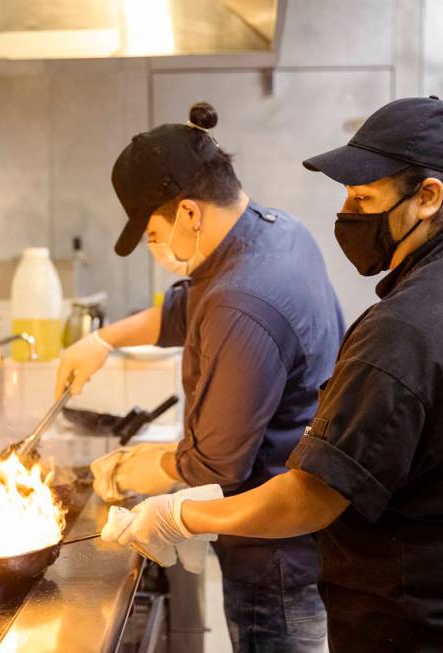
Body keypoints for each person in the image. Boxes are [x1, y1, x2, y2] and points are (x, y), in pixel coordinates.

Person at [104, 96, 443, 652]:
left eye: (364, 196)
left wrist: (179, 514)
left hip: (432, 632)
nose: (349, 212)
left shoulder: (406, 328)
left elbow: (311, 498)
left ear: (428, 197)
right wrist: (103, 337)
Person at [56, 102, 344, 652]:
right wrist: (102, 339)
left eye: (154, 233)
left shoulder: (242, 300)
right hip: (301, 538)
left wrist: (141, 465)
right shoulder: (277, 230)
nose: (155, 248)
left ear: (189, 212)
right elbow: (187, 308)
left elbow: (216, 463)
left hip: (276, 554)